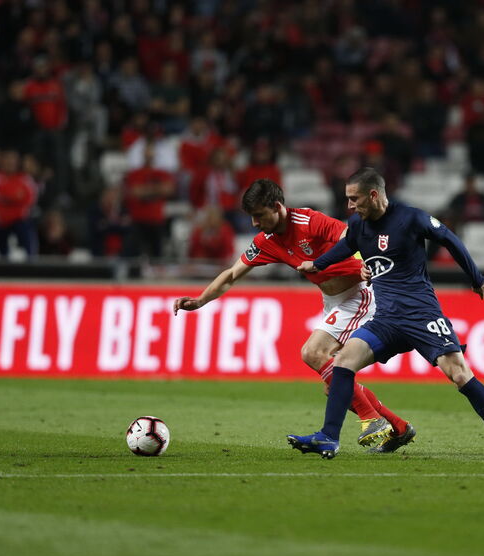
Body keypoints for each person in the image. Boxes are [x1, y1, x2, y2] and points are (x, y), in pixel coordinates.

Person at [293, 168, 484, 461]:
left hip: (422, 315)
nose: (350, 206)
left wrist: (476, 277)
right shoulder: (357, 226)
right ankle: (328, 437)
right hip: (385, 320)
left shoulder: (411, 218)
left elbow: (450, 240)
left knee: (459, 373)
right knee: (343, 361)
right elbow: (343, 249)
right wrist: (316, 264)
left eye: (354, 199)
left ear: (373, 195)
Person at [173, 178, 410, 448]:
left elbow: (349, 236)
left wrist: (367, 260)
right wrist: (200, 301)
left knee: (312, 353)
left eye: (259, 216)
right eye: (251, 217)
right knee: (334, 386)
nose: (255, 223)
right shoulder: (266, 241)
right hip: (333, 301)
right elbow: (231, 274)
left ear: (277, 207)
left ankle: (371, 419)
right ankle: (398, 427)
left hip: (358, 294)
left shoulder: (308, 221)